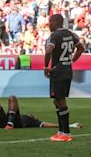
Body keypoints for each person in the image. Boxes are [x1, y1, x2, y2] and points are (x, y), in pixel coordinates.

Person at [44, 14, 85, 142]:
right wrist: (71, 60)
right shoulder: (71, 34)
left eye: (50, 22)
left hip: (58, 71)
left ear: (56, 23)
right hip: (67, 69)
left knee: (60, 100)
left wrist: (46, 66)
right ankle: (61, 131)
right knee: (56, 100)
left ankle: (66, 133)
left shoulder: (54, 35)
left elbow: (49, 50)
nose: (49, 25)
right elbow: (81, 48)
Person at [0, 95, 83, 130]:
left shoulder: (33, 121)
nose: (33, 115)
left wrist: (69, 125)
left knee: (12, 98)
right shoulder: (20, 114)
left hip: (15, 123)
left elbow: (47, 124)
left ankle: (10, 125)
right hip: (5, 121)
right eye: (33, 115)